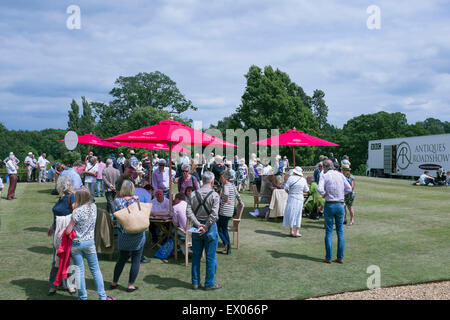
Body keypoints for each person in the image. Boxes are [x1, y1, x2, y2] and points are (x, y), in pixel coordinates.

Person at [57, 188, 114, 300]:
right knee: (95, 270)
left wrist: (63, 229)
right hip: (89, 243)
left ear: (79, 198)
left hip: (77, 244)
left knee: (80, 271)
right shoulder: (93, 207)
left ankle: (83, 297)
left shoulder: (76, 212)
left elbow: (69, 231)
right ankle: (102, 296)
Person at [186, 171, 221, 290]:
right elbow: (214, 214)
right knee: (210, 257)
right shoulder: (215, 195)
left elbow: (188, 212)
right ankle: (209, 283)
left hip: (197, 227)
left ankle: (195, 282)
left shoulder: (193, 194)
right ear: (212, 181)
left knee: (196, 256)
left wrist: (197, 224)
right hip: (209, 228)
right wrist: (205, 226)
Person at [110, 180, 146, 293]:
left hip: (124, 235)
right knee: (136, 259)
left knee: (121, 259)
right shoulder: (136, 201)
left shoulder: (117, 201)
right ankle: (131, 285)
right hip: (137, 235)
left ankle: (114, 282)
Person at [317, 160, 352, 264]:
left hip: (330, 204)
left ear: (325, 167)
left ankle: (328, 257)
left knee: (328, 231)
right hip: (340, 204)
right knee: (340, 231)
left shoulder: (325, 175)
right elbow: (349, 188)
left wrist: (324, 194)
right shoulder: (340, 175)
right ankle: (340, 257)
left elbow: (319, 188)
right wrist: (341, 193)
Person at [47, 176, 76, 296]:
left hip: (68, 233)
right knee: (57, 259)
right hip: (58, 233)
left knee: (70, 259)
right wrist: (52, 226)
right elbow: (58, 215)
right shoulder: (61, 198)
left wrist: (64, 229)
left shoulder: (72, 197)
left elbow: (75, 216)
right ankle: (54, 284)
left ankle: (71, 285)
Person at [218, 170, 243, 255]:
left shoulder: (225, 186)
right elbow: (238, 196)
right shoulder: (232, 186)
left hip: (224, 211)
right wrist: (241, 203)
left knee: (219, 228)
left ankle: (227, 245)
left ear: (225, 178)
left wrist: (224, 199)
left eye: (221, 177)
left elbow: (225, 193)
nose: (220, 179)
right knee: (223, 229)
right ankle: (227, 246)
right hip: (230, 212)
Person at [282, 167, 309, 237]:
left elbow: (285, 188)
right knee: (298, 214)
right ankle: (297, 231)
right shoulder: (303, 179)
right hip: (300, 197)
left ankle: (291, 230)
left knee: (291, 213)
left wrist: (289, 192)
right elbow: (306, 190)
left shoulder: (291, 178)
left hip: (292, 197)